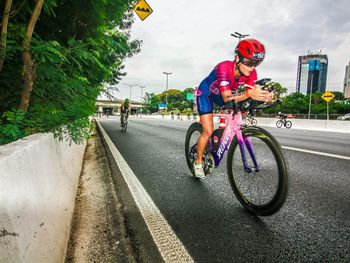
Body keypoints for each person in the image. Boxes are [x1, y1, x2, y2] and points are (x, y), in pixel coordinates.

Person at [193, 39, 274, 179]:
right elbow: (227, 98)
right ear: (237, 58)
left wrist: (263, 96)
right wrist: (249, 94)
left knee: (238, 114)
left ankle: (218, 141)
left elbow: (250, 94)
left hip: (225, 95)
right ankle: (198, 162)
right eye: (248, 62)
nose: (252, 67)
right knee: (207, 130)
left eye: (256, 64)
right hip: (206, 94)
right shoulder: (224, 67)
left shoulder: (252, 74)